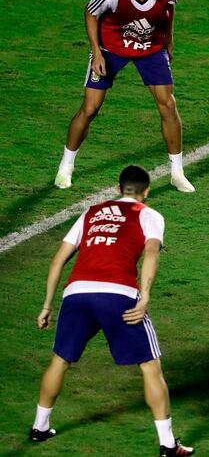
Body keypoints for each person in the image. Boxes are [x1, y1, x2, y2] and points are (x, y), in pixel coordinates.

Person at [30, 165, 194, 456]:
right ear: (146, 192)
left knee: (60, 360)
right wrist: (144, 297)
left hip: (77, 294)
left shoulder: (91, 212)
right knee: (150, 366)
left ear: (118, 188)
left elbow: (58, 260)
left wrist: (47, 305)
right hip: (118, 295)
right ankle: (168, 445)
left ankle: (39, 427)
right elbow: (152, 253)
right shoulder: (149, 215)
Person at [54, 0, 194, 193]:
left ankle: (177, 172)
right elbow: (90, 12)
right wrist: (96, 52)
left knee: (168, 105)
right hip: (111, 47)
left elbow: (168, 12)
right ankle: (66, 166)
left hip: (150, 48)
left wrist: (169, 40)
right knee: (90, 108)